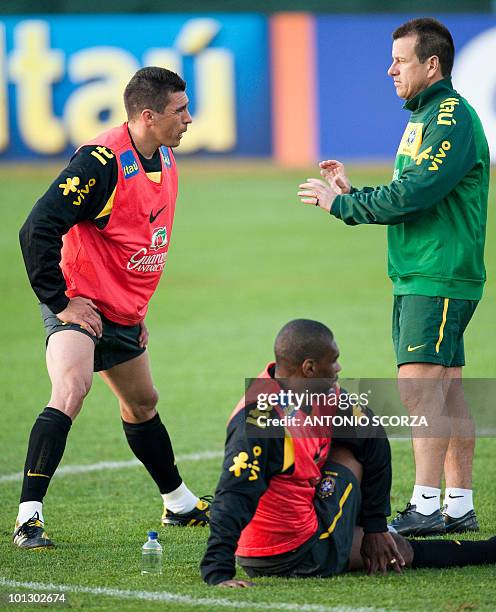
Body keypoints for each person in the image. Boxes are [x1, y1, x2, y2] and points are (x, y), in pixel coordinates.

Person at [298, 17, 489, 536]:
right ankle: (457, 505)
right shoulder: (426, 115)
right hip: (424, 270)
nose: (390, 70)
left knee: (418, 387)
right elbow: (415, 190)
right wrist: (354, 191)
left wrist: (343, 205)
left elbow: (414, 195)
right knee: (447, 389)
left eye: (400, 60)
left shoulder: (450, 117)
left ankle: (425, 507)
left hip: (437, 272)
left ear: (432, 64)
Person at [14, 67, 210, 550]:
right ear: (148, 116)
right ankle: (28, 520)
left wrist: (135, 312)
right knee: (72, 387)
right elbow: (35, 228)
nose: (189, 118)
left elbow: (136, 239)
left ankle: (179, 504)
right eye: (179, 110)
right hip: (78, 302)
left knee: (142, 404)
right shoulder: (100, 162)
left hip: (122, 313)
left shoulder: (163, 155)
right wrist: (60, 302)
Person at [200, 320, 496, 586]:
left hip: (289, 531)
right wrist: (218, 571)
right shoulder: (261, 420)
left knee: (354, 445)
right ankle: (487, 550)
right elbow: (233, 494)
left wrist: (375, 525)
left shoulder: (318, 392)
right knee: (396, 546)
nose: (339, 369)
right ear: (309, 368)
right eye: (334, 361)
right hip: (294, 552)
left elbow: (374, 435)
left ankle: (372, 534)